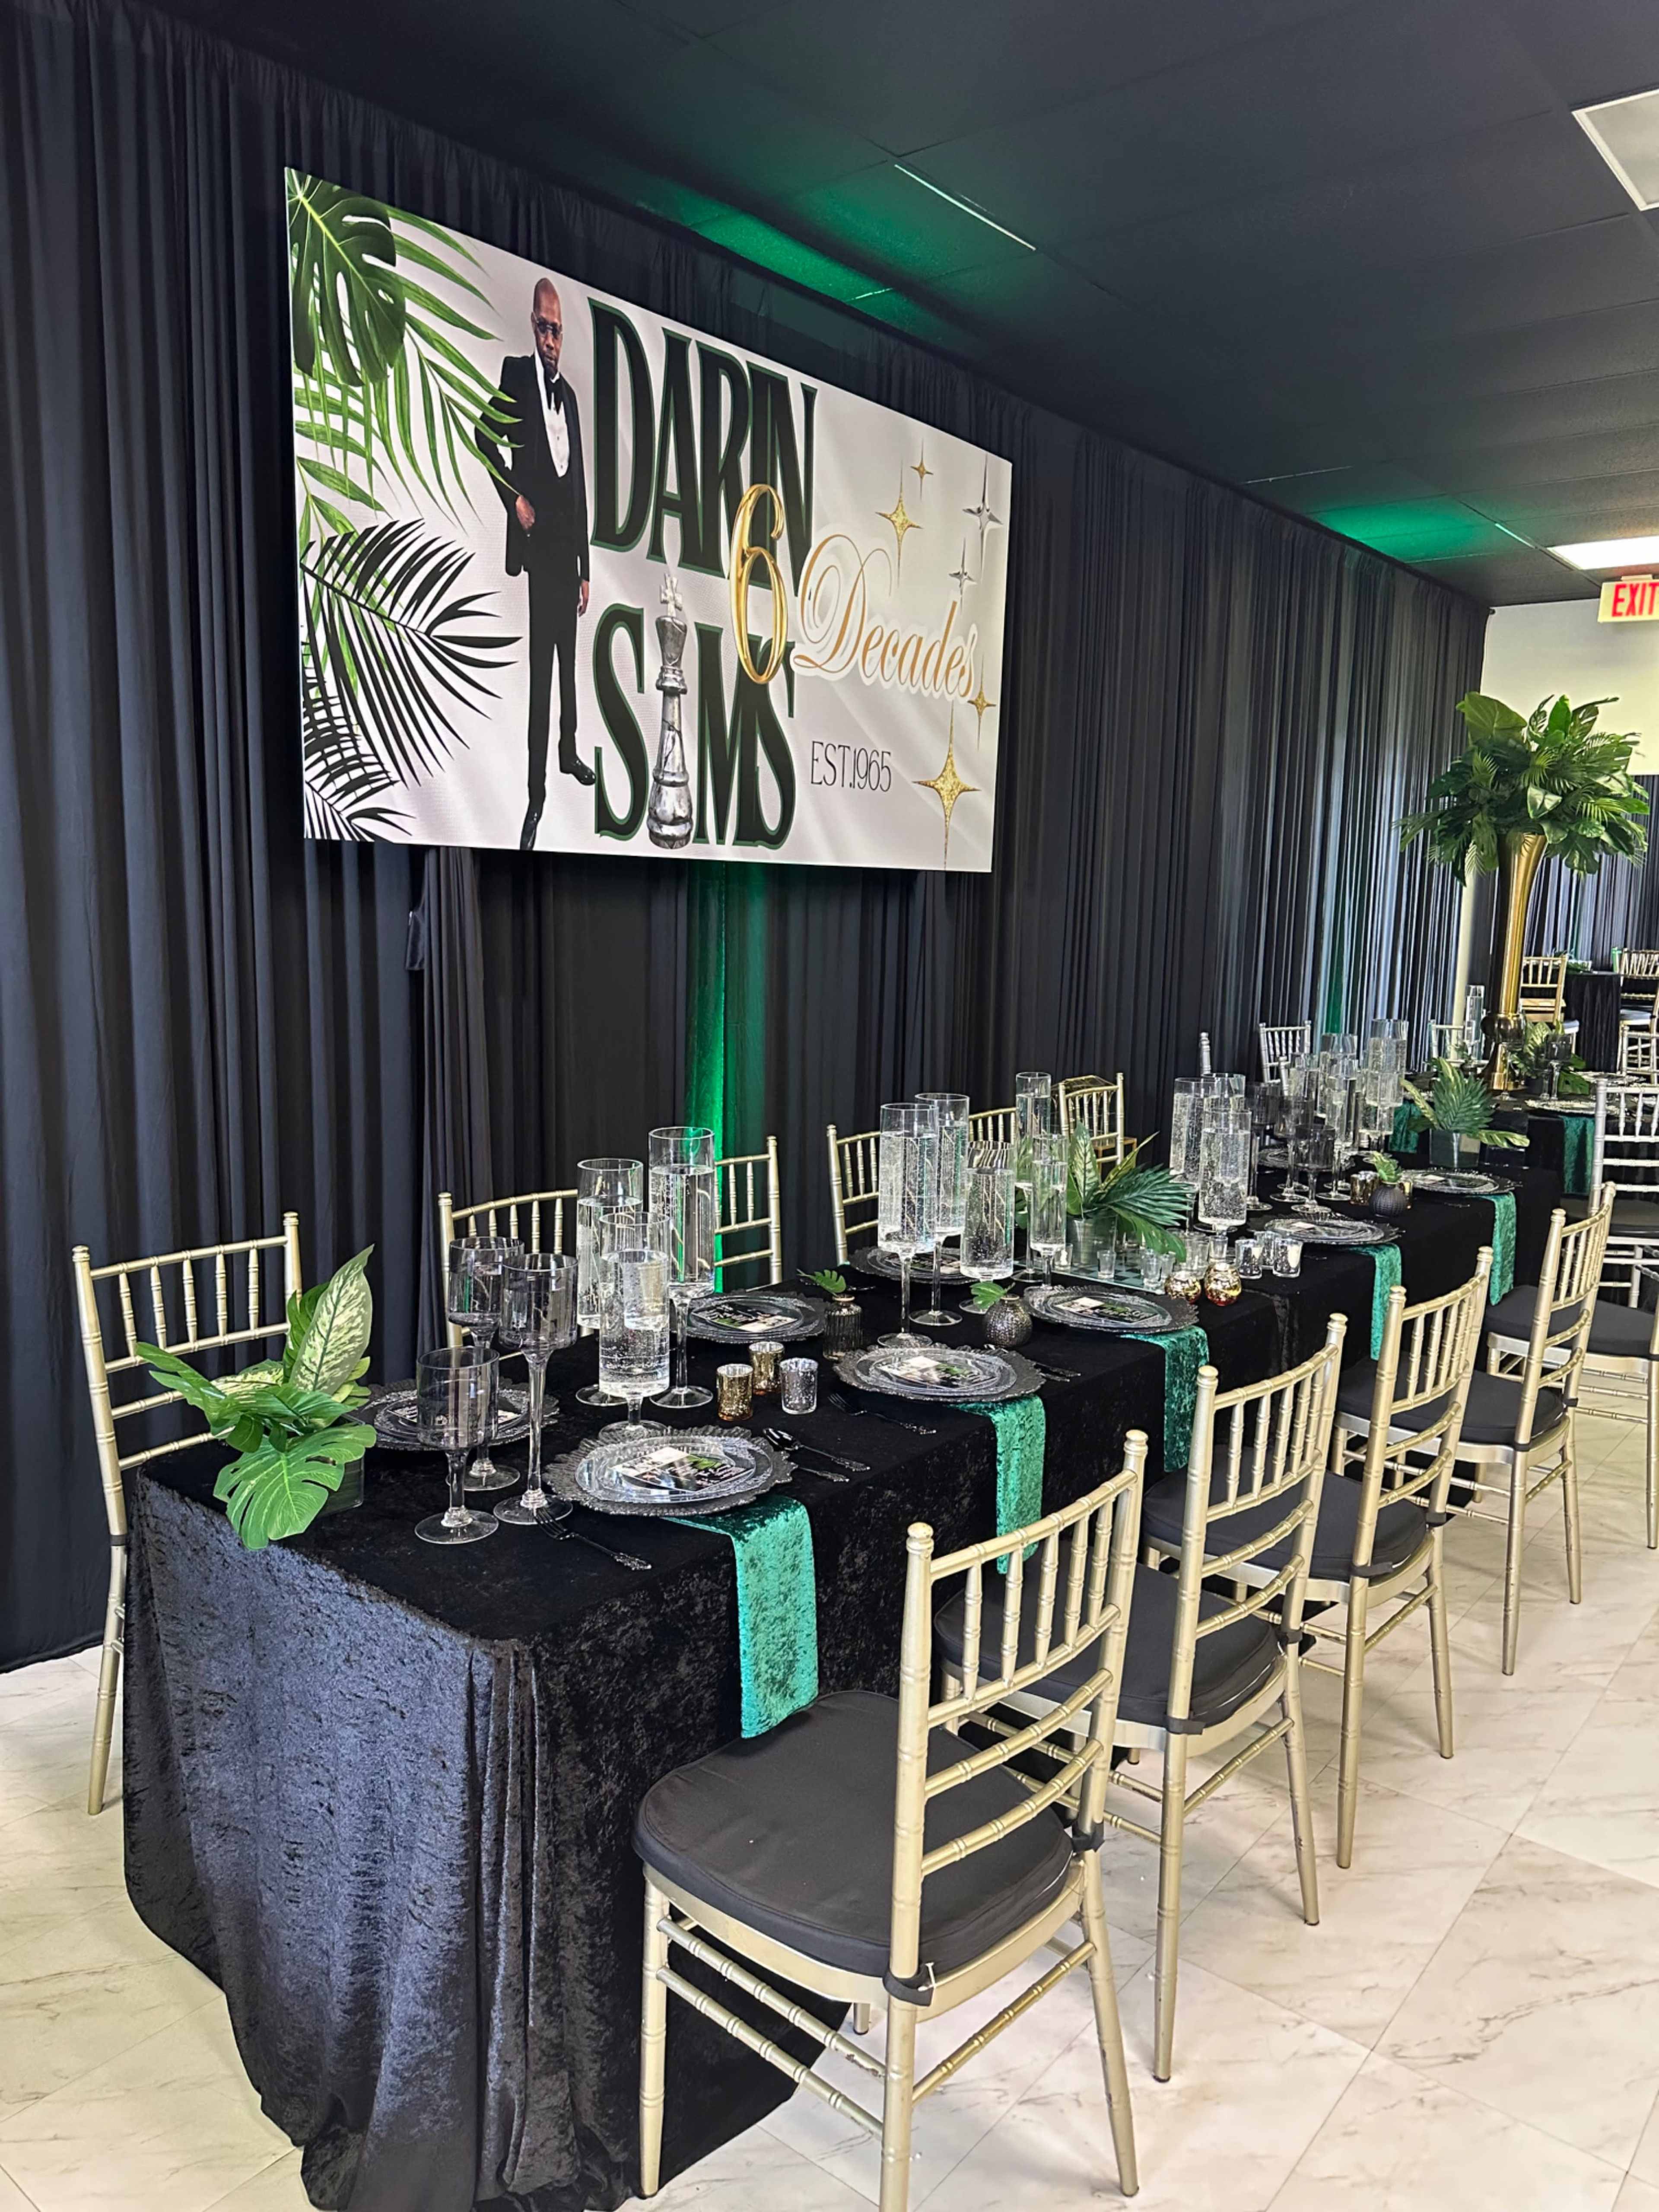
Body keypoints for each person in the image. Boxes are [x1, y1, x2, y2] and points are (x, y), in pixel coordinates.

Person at [477, 277, 593, 850]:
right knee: (542, 676)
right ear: (532, 324)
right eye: (544, 327)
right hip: (539, 548)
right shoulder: (517, 376)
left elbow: (581, 488)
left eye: (558, 330)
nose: (551, 339)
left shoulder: (569, 396)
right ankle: (536, 796)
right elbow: (483, 436)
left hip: (569, 550)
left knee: (569, 665)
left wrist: (589, 568)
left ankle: (569, 753)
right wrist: (513, 500)